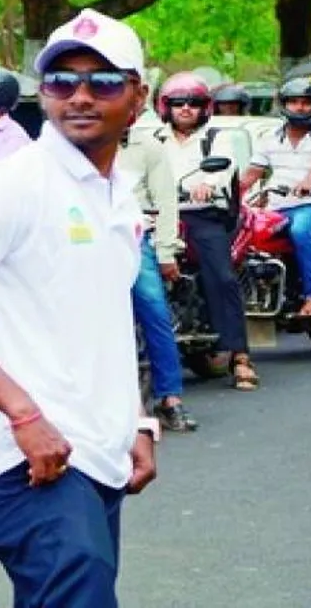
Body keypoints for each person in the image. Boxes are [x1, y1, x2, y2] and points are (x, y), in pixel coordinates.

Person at [0, 9, 159, 608]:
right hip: (28, 464)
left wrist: (137, 419)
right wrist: (22, 414)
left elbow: (100, 319)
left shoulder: (117, 194)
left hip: (93, 454)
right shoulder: (10, 186)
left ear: (138, 95)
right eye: (62, 82)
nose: (80, 97)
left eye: (103, 82)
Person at [154, 72, 258, 390]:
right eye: (178, 103)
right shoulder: (154, 139)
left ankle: (240, 357)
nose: (186, 109)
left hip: (202, 215)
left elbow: (224, 166)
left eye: (194, 103)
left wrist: (206, 185)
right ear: (165, 107)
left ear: (205, 107)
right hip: (159, 217)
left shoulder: (217, 137)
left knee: (222, 277)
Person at [117, 127, 198, 430]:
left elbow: (165, 201)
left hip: (136, 237)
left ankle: (169, 399)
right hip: (85, 240)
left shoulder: (148, 147)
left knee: (154, 311)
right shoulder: (72, 143)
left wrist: (166, 252)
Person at [241, 78, 311, 317]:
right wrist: (229, 193)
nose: (300, 107)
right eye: (294, 102)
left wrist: (309, 182)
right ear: (284, 104)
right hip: (277, 206)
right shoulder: (269, 137)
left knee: (301, 232)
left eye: (306, 103)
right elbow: (252, 174)